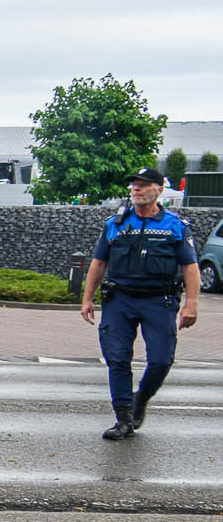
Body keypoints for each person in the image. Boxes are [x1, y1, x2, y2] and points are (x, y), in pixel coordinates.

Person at [80, 167, 199, 440]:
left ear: (158, 190)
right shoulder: (116, 224)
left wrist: (191, 304)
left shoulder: (175, 226)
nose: (136, 189)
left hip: (160, 300)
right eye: (134, 185)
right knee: (117, 359)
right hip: (120, 300)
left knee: (160, 360)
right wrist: (87, 298)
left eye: (144, 185)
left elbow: (190, 267)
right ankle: (123, 419)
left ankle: (141, 397)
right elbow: (99, 263)